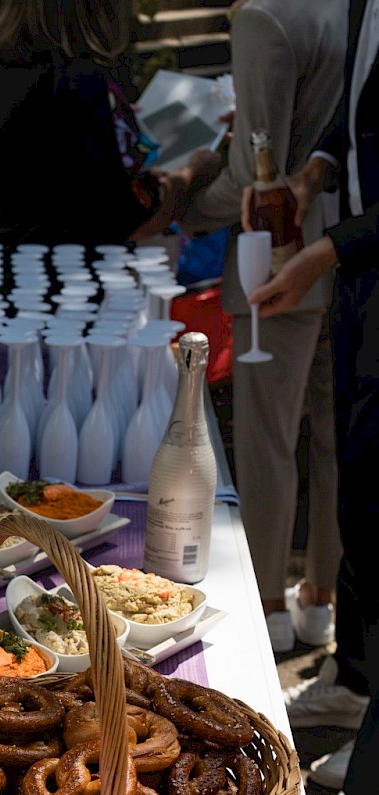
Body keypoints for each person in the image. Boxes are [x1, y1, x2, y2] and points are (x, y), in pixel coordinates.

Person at [248, 0, 379, 795]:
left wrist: (325, 250)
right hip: (364, 277)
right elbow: (355, 113)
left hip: (358, 256)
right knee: (361, 479)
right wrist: (315, 172)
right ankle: (354, 684)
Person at [180, 0, 346, 657]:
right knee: (334, 440)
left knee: (267, 442)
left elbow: (256, 172)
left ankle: (270, 601)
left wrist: (189, 199)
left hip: (275, 258)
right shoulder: (351, 9)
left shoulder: (264, 17)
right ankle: (321, 599)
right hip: (350, 254)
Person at [0, 0, 219, 270]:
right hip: (48, 289)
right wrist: (191, 172)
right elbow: (127, 217)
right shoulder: (80, 81)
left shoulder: (0, 67)